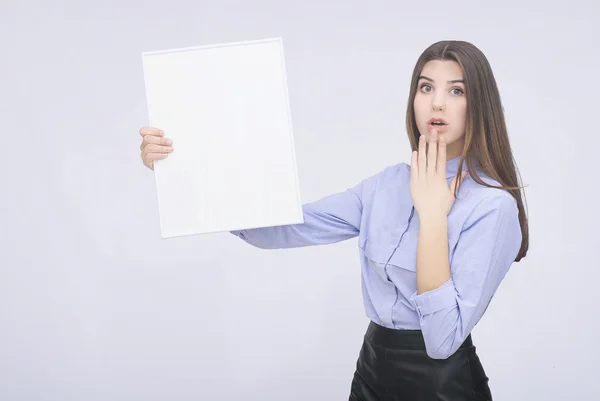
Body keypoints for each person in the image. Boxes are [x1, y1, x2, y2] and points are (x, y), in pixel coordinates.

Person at [138, 40, 529, 401]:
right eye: (426, 88)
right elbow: (285, 226)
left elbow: (442, 341)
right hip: (373, 369)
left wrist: (432, 216)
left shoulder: (492, 205)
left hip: (444, 384)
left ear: (478, 104)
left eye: (456, 91)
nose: (437, 103)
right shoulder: (386, 185)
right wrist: (183, 170)